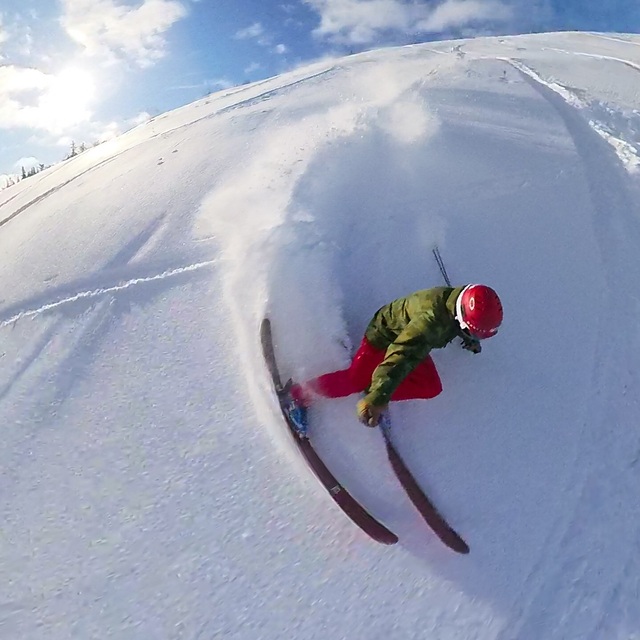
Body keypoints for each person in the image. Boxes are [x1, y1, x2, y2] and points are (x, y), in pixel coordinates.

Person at [289, 284, 503, 430]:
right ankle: (296, 395)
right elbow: (399, 356)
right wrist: (376, 399)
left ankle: (377, 388)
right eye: (474, 332)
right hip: (385, 337)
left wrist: (471, 337)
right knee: (354, 380)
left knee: (430, 387)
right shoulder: (428, 323)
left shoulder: (462, 302)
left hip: (415, 343)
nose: (476, 337)